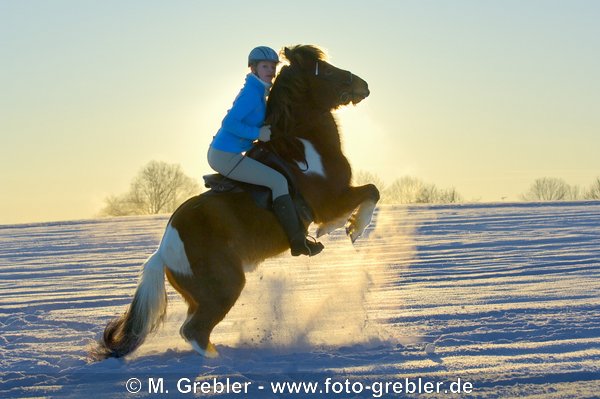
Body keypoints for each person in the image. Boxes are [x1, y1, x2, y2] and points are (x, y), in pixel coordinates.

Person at [207, 46, 323, 257]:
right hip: (225, 156)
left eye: (272, 66)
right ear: (253, 69)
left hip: (233, 152)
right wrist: (257, 133)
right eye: (265, 66)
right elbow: (229, 122)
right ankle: (297, 241)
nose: (270, 70)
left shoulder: (259, 91)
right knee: (277, 182)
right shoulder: (252, 94)